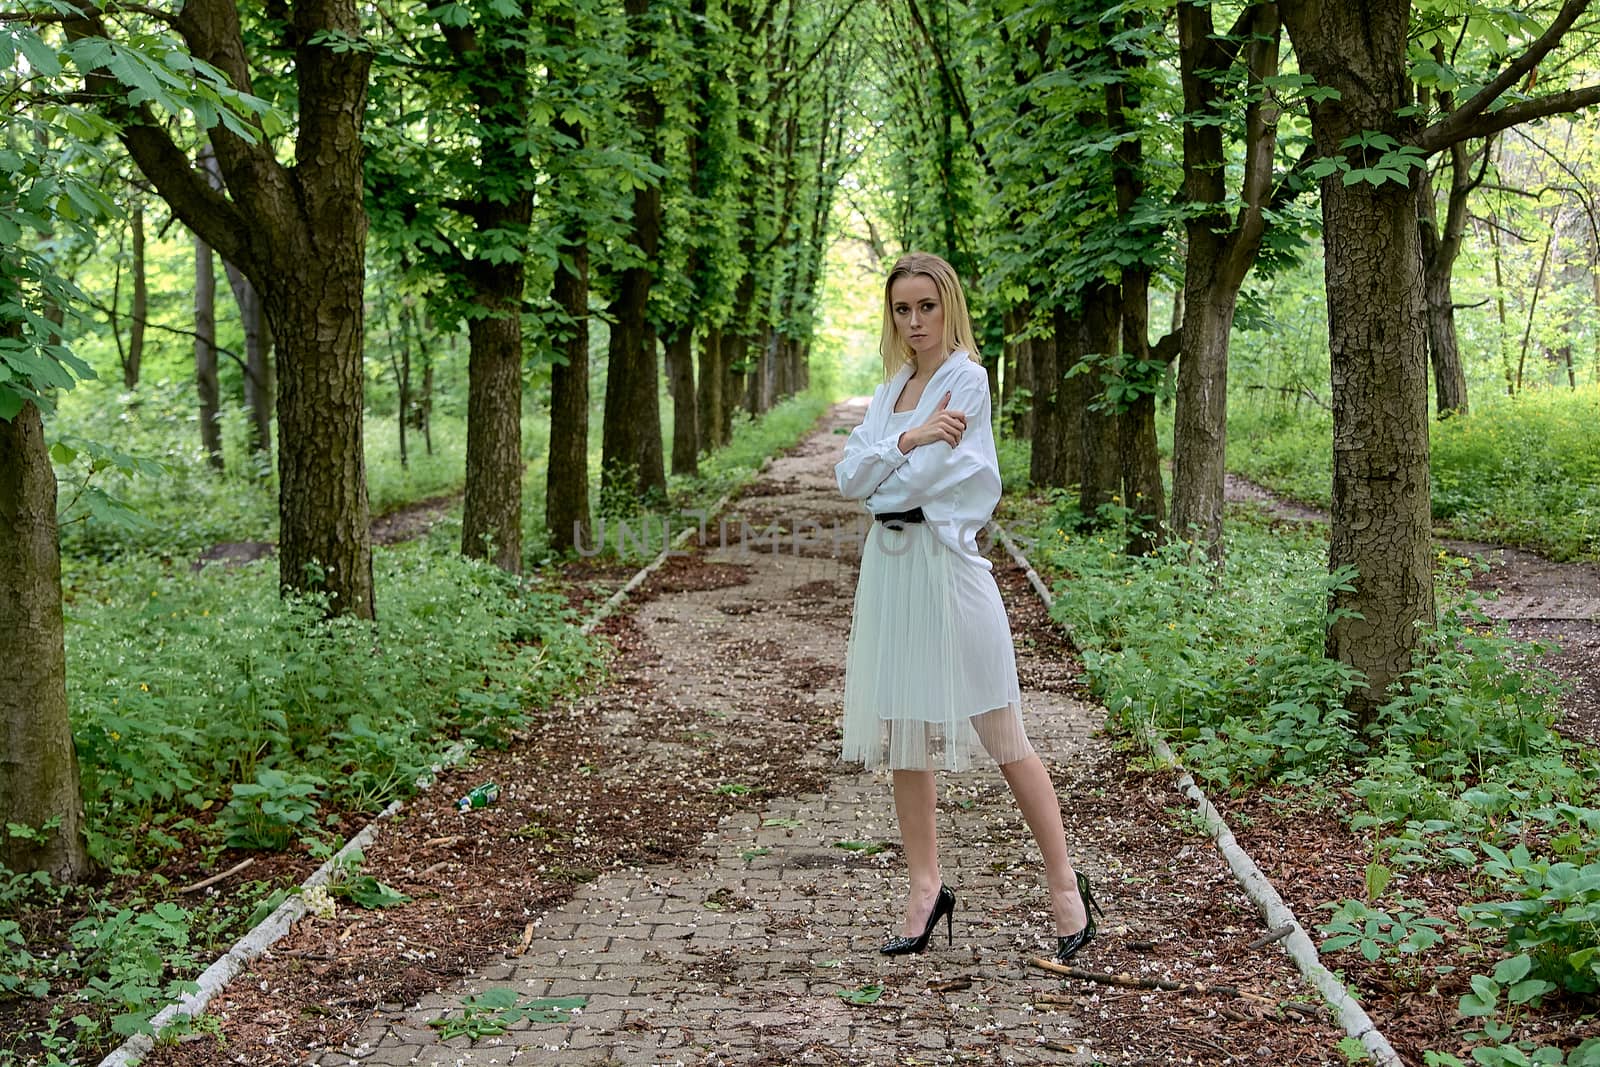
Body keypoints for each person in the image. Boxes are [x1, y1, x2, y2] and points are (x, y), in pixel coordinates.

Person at [834, 251, 1100, 960]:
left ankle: (1065, 884)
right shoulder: (894, 387)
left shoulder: (967, 381)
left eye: (926, 306)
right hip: (888, 571)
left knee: (1002, 730)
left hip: (947, 569)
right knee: (905, 735)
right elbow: (846, 478)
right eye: (902, 309)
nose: (915, 321)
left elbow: (908, 485)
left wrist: (893, 457)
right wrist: (909, 436)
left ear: (948, 304)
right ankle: (926, 888)